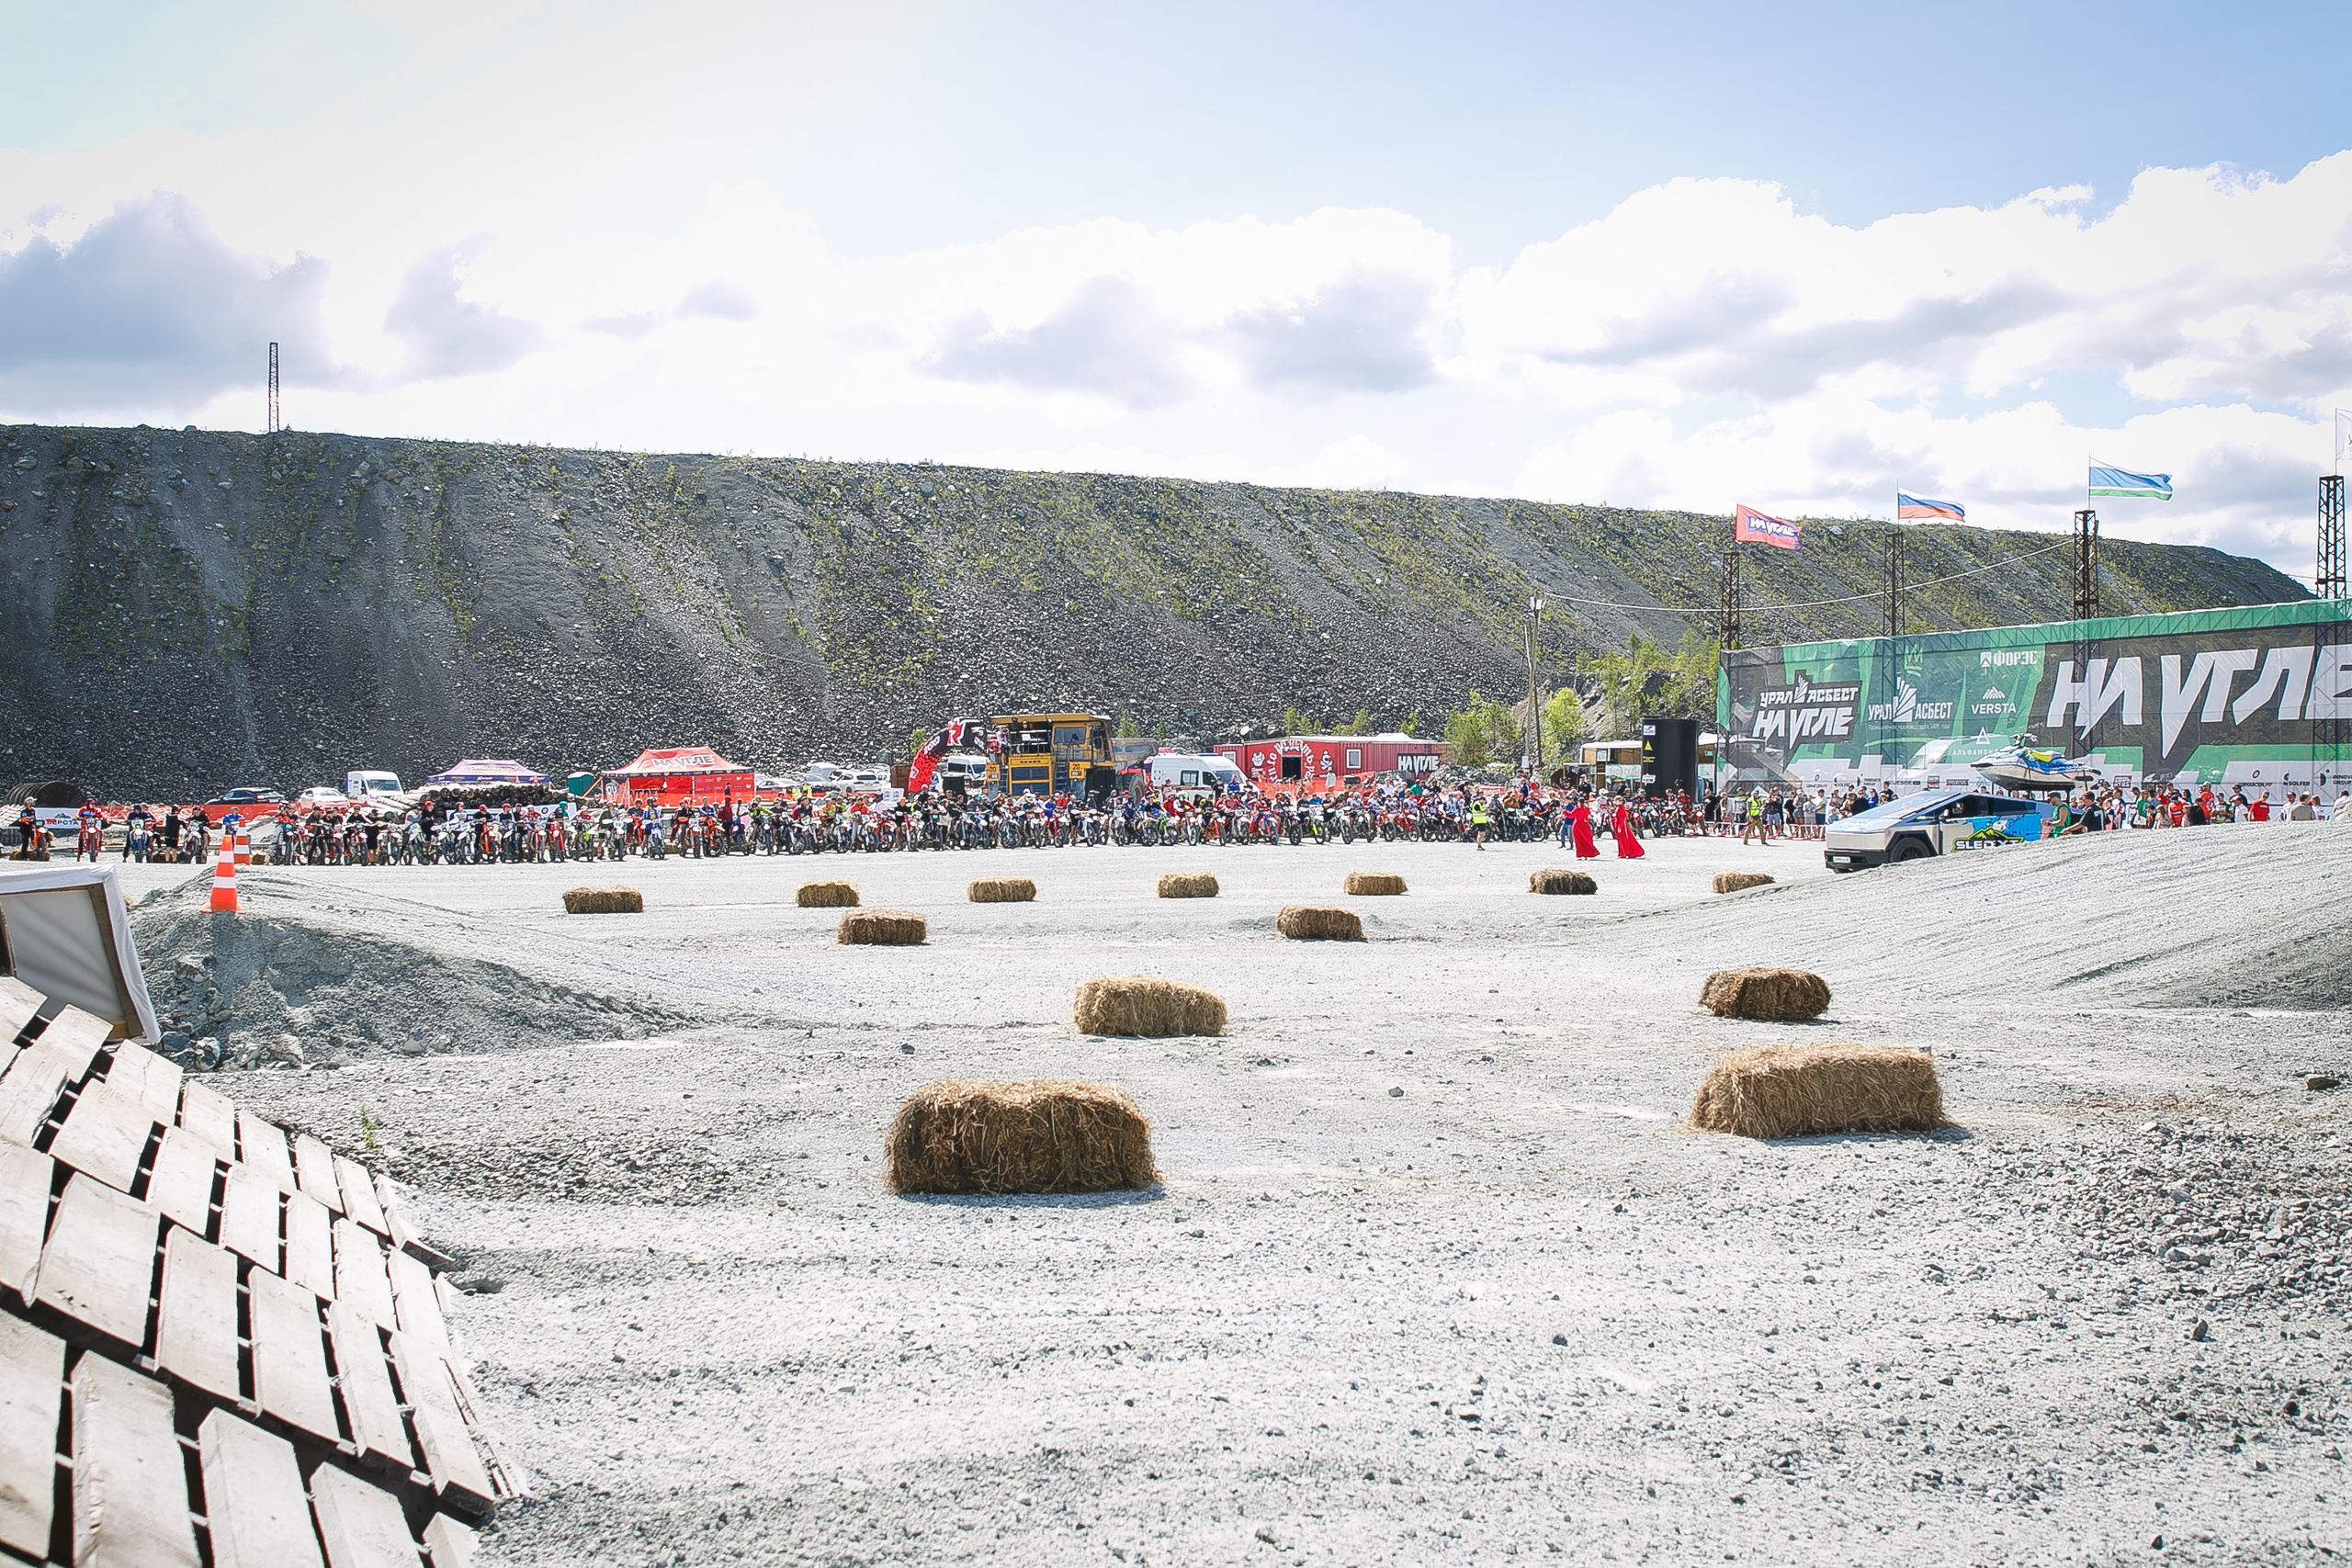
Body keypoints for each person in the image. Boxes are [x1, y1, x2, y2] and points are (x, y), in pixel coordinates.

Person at [1610, 795, 1645, 859]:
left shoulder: (1620, 808)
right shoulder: (1620, 807)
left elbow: (1621, 818)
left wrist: (1620, 826)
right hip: (1619, 824)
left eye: (1616, 801)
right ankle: (1622, 853)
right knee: (1621, 840)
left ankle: (1626, 852)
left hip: (1620, 825)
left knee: (1623, 839)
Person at [1568, 793, 1600, 859]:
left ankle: (1580, 854)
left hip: (1577, 824)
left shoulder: (1577, 809)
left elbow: (1571, 815)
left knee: (1578, 840)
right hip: (1585, 824)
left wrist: (1564, 812)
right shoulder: (1586, 809)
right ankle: (1586, 854)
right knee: (1585, 839)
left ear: (1579, 802)